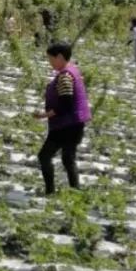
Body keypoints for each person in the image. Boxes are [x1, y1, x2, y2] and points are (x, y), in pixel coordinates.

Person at [33, 42, 92, 195]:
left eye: (51, 59)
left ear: (59, 57)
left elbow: (64, 104)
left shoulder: (65, 76)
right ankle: (75, 191)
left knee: (44, 156)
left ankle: (50, 192)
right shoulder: (72, 69)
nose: (50, 63)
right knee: (68, 158)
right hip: (76, 123)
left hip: (66, 125)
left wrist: (43, 115)